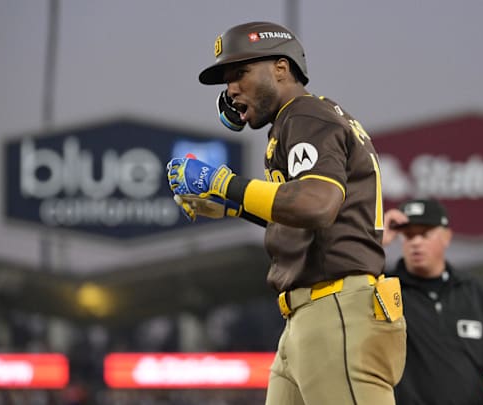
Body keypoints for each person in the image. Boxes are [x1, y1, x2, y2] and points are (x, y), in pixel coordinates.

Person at [166, 21, 406, 405]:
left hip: (337, 308)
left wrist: (226, 183)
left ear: (281, 67)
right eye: (227, 79)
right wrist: (232, 207)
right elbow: (306, 211)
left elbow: (316, 204)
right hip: (313, 314)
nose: (231, 88)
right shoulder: (304, 118)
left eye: (240, 73)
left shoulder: (305, 116)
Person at [383, 199, 483, 405]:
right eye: (408, 235)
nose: (416, 242)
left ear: (446, 237)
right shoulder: (386, 288)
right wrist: (377, 242)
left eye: (425, 233)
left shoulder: (474, 292)